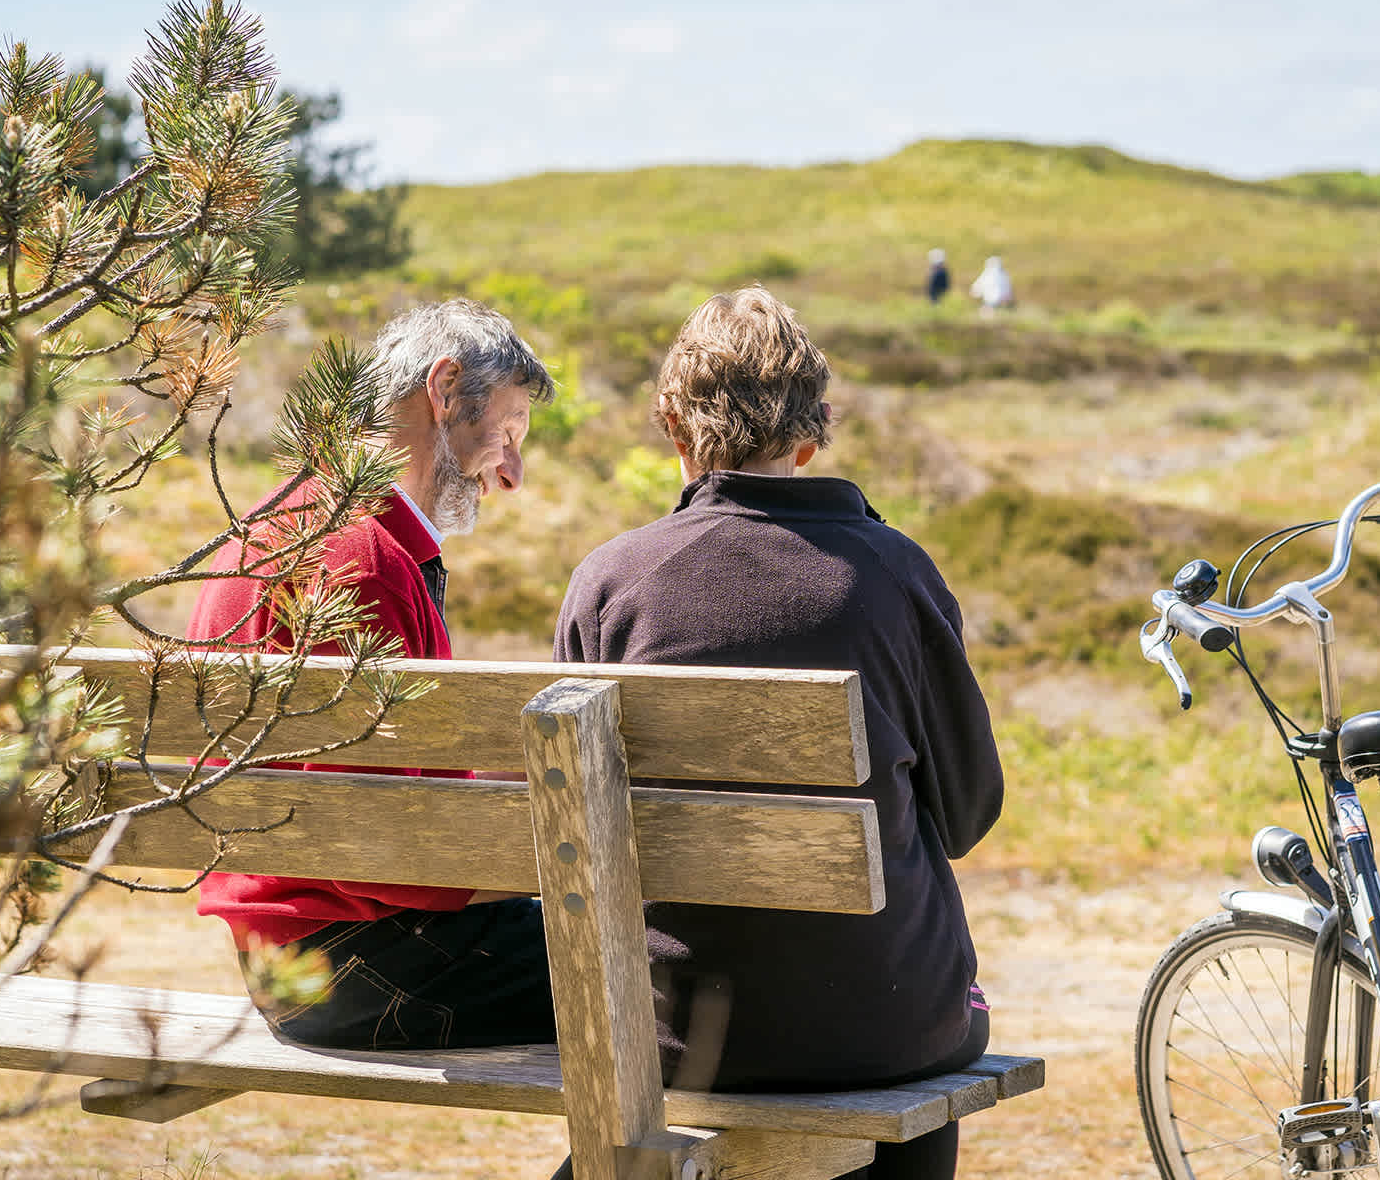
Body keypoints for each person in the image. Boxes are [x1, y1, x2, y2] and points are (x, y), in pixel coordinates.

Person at [554, 287, 1005, 1180]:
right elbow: (966, 814)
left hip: (672, 1033)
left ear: (672, 427)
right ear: (816, 429)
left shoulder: (610, 583)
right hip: (887, 1024)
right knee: (916, 1015)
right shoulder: (892, 571)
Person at [188, 298, 560, 1052]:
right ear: (445, 389)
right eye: (510, 431)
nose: (513, 474)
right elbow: (401, 861)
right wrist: (582, 863)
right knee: (693, 977)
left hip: (306, 954)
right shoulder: (357, 560)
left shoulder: (294, 522)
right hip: (361, 964)